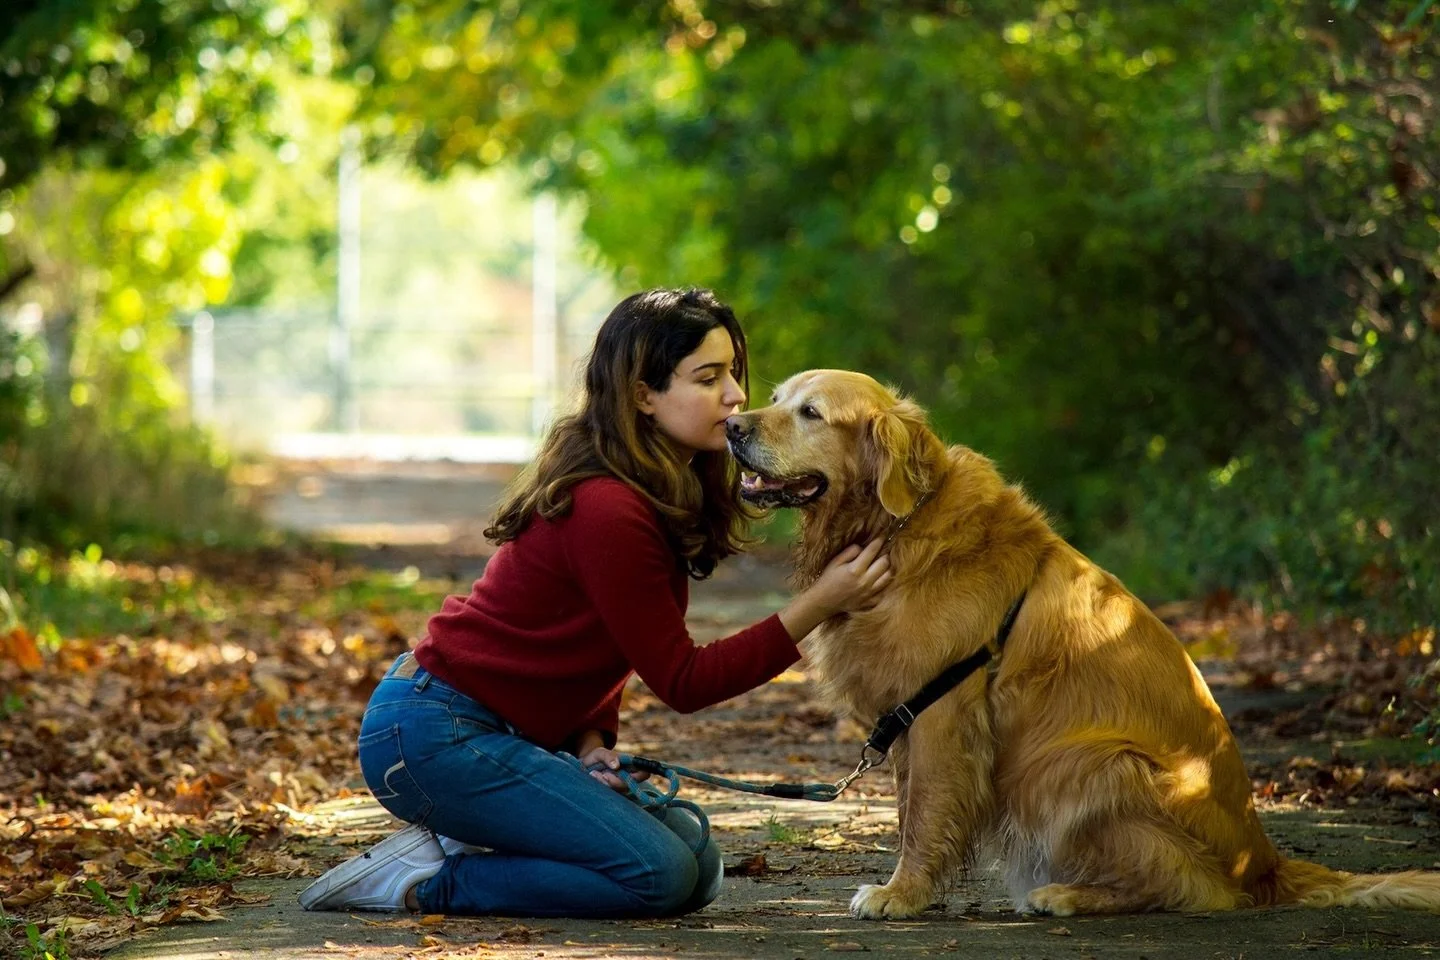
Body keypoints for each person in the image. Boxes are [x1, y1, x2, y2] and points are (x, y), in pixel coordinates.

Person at [299, 287, 892, 918]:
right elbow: (683, 680)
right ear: (643, 394)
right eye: (708, 377)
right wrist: (823, 601)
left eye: (734, 374)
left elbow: (605, 639)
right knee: (657, 876)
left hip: (504, 733)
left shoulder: (659, 487)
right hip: (430, 734)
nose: (735, 396)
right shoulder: (608, 507)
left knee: (698, 862)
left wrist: (589, 742)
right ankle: (425, 879)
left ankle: (480, 828)